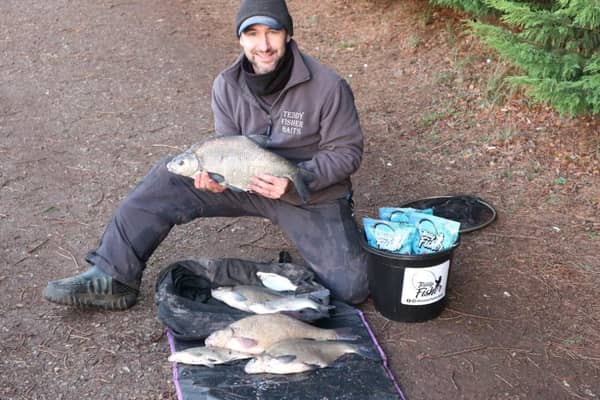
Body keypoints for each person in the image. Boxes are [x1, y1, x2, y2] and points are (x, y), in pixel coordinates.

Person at [43, 0, 369, 310]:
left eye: (272, 32)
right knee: (166, 177)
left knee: (353, 288)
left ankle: (324, 244)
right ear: (240, 38)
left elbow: (347, 151)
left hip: (306, 191)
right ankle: (113, 275)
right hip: (246, 184)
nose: (264, 44)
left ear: (287, 34)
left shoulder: (328, 86)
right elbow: (226, 149)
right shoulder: (226, 85)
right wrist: (217, 182)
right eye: (252, 33)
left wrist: (302, 179)